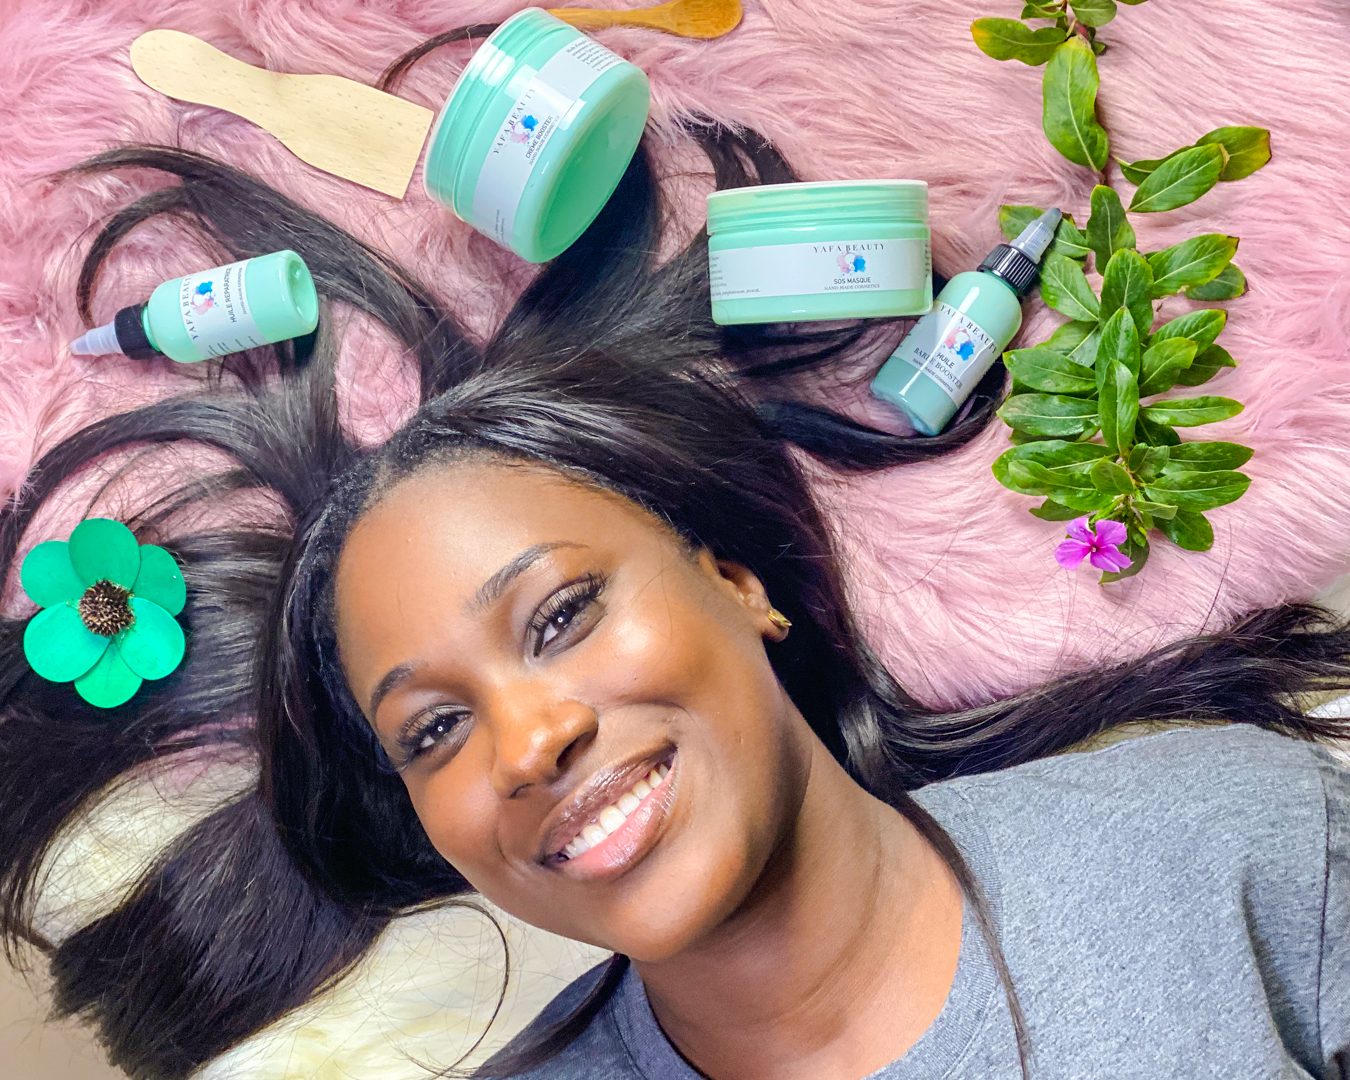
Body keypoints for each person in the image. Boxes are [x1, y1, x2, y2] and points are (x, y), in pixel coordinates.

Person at [0, 33, 1346, 1080]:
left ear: (738, 585)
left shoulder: (1220, 841)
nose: (525, 744)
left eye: (559, 615)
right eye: (433, 731)